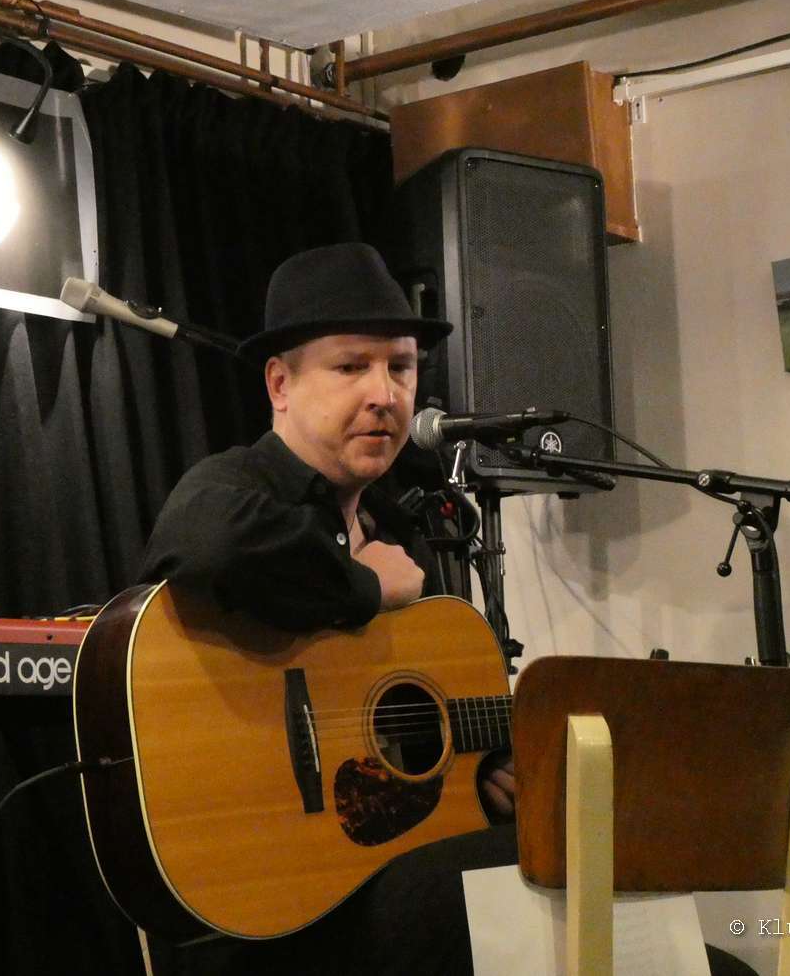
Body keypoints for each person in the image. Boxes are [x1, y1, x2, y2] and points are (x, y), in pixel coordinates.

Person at [139, 242, 516, 975]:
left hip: (369, 871)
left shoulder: (404, 527)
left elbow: (414, 737)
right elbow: (205, 544)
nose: (386, 394)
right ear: (280, 383)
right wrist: (362, 587)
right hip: (267, 899)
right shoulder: (237, 485)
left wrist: (488, 771)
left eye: (401, 367)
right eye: (351, 367)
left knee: (551, 851)